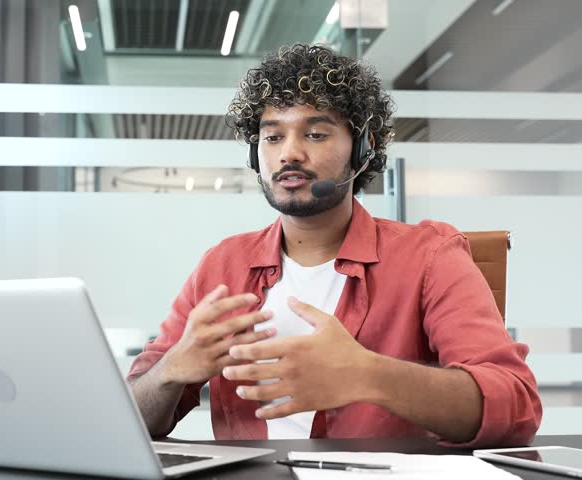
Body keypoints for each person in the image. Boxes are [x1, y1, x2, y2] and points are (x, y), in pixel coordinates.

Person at [127, 43, 542, 447]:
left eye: (315, 134)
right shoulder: (222, 266)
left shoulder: (430, 256)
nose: (289, 153)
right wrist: (170, 370)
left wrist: (369, 375)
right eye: (272, 138)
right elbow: (127, 419)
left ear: (363, 148)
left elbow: (516, 406)